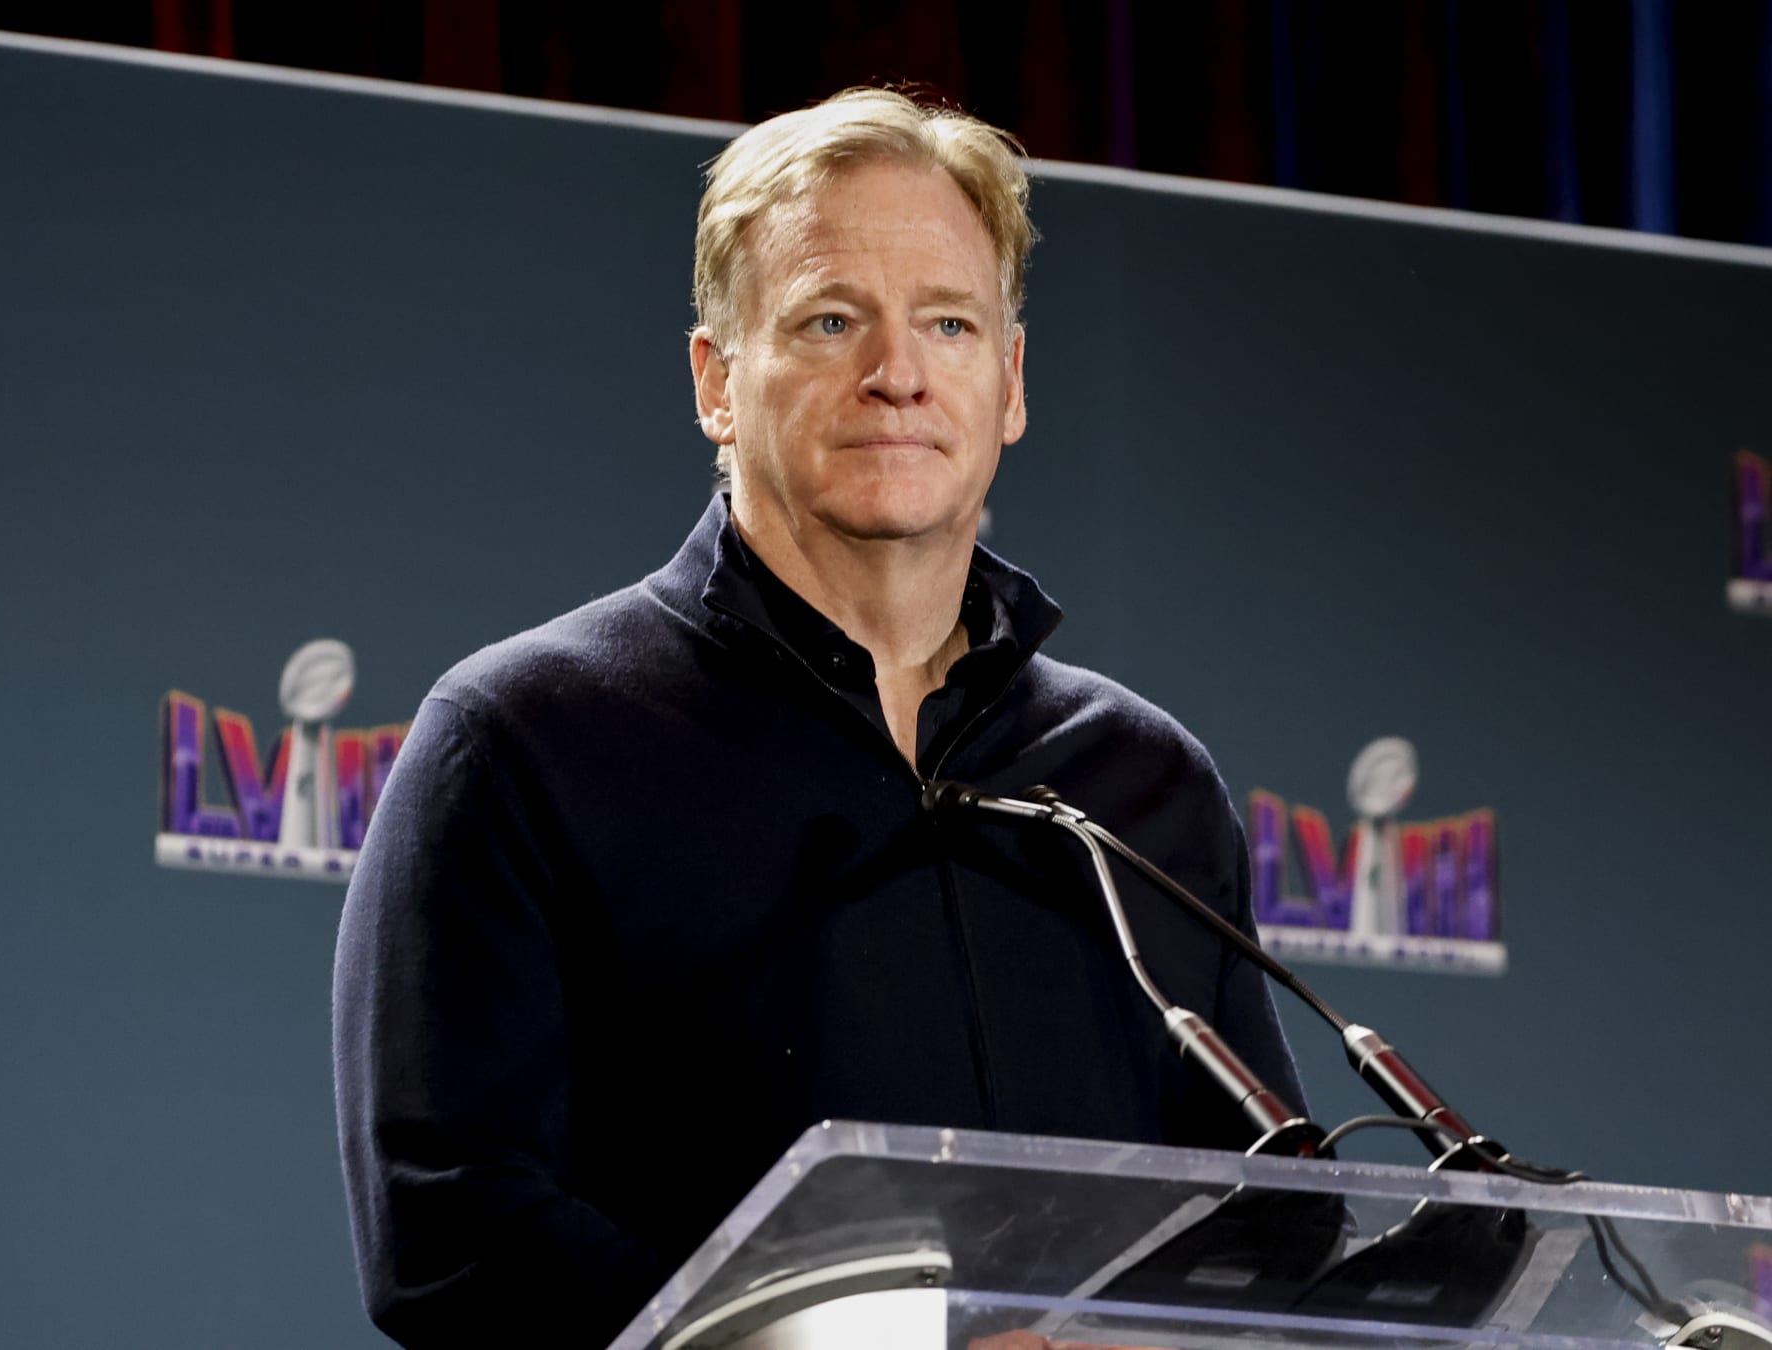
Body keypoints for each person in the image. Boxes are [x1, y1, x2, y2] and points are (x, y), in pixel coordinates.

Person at [333, 87, 1306, 1350]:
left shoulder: (1138, 782)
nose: (897, 374)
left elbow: (1267, 1224)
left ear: (1008, 382)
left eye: (948, 323)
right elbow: (450, 1226)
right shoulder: (523, 739)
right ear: (716, 383)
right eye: (831, 320)